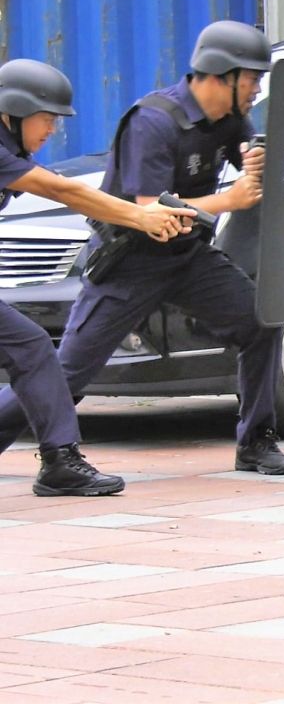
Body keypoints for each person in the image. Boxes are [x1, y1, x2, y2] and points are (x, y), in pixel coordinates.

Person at [0, 21, 284, 485]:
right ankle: (50, 456)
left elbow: (255, 178)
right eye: (253, 79)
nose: (257, 89)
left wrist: (263, 163)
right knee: (64, 374)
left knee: (260, 322)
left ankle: (257, 440)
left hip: (187, 257)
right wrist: (228, 200)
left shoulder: (230, 120)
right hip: (130, 261)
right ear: (224, 74)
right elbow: (141, 209)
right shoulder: (154, 120)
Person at [0, 58, 194, 496]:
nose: (52, 130)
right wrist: (141, 216)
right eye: (46, 119)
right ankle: (60, 461)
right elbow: (62, 190)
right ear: (13, 111)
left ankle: (60, 461)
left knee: (31, 348)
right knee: (30, 347)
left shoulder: (10, 153)